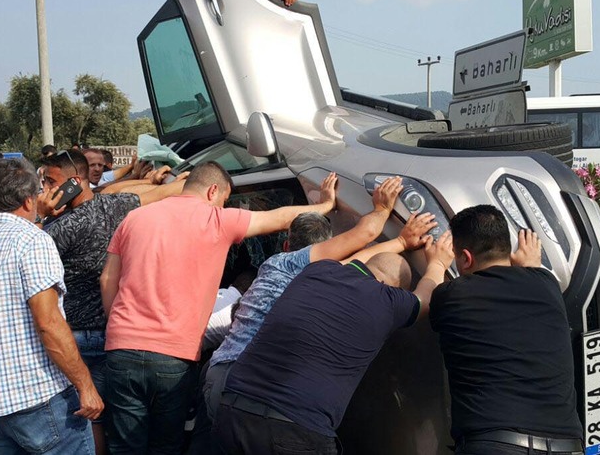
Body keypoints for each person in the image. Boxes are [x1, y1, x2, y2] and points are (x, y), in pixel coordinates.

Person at [99, 162, 338, 454]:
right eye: (225, 199)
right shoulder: (217, 220)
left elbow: (108, 277)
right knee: (166, 444)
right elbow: (279, 218)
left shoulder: (134, 218)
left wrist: (118, 325)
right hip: (175, 355)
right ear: (213, 190)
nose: (223, 205)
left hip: (121, 349)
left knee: (124, 446)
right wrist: (325, 204)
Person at [204, 177, 436, 422]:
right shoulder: (316, 277)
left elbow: (356, 260)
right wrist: (384, 213)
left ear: (286, 245)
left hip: (220, 373)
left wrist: (398, 240)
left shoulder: (276, 264)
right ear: (330, 245)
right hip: (250, 381)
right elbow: (362, 242)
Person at [214, 233, 453, 454]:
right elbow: (425, 298)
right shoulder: (388, 300)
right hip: (297, 427)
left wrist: (400, 241)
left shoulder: (316, 271)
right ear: (392, 286)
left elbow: (354, 262)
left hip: (232, 408)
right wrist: (438, 263)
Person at [0, 158, 102, 454]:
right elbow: (49, 323)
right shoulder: (33, 241)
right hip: (39, 398)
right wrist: (85, 385)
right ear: (29, 199)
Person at [41, 149, 187, 455]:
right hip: (114, 332)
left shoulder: (58, 229)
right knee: (113, 417)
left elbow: (27, 252)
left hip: (76, 337)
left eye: (51, 183)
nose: (46, 191)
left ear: (74, 182)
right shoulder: (113, 206)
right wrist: (176, 182)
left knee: (85, 419)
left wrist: (43, 216)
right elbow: (144, 195)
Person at [430, 205, 584, 455]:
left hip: (494, 443)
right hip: (567, 445)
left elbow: (426, 298)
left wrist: (436, 263)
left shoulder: (452, 295)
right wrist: (532, 266)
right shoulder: (547, 286)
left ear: (466, 258)